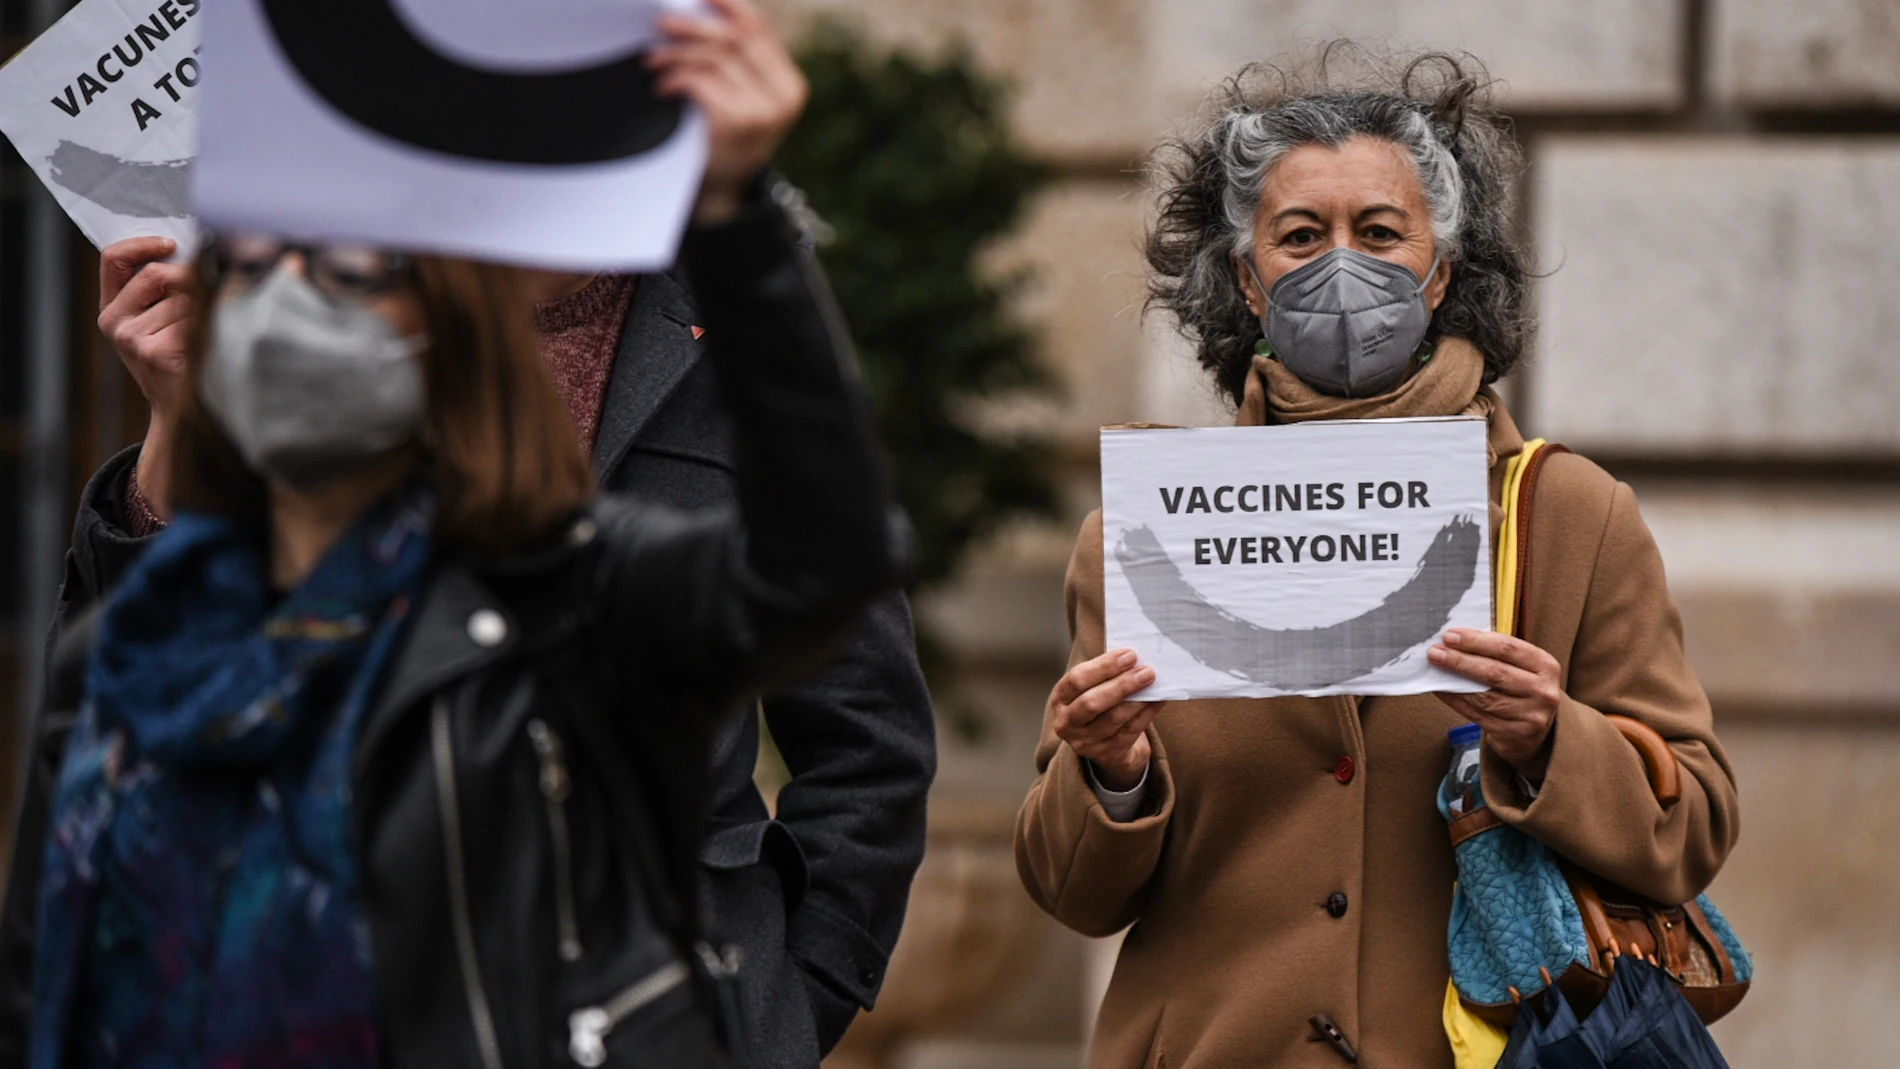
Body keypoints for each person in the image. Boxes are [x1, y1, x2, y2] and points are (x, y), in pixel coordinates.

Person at [33, 2, 934, 1064]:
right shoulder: (336, 324)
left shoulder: (648, 482)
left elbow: (853, 667)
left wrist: (786, 1001)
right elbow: (119, 725)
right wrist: (182, 425)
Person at [1013, 53, 1740, 1068]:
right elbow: (1071, 892)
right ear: (1247, 279)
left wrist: (1550, 740)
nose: (1341, 265)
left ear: (1441, 273)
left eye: (1382, 232)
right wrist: (1113, 773)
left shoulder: (1570, 516)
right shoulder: (1145, 537)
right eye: (1301, 236)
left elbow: (1694, 822)